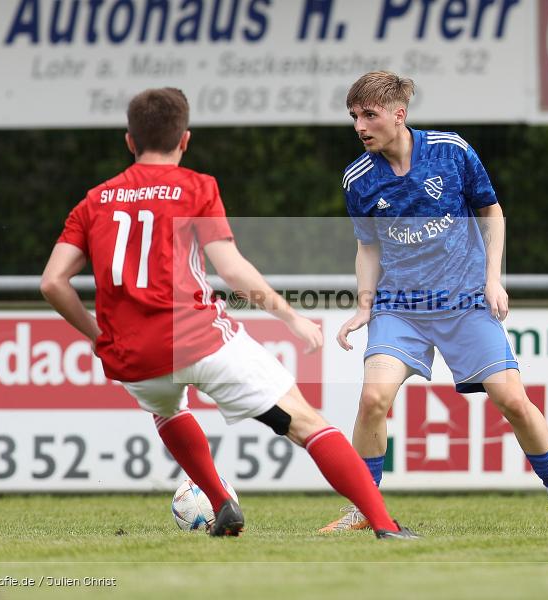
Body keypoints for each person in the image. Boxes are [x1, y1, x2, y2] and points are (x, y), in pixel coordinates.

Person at [40, 87, 416, 539]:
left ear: (129, 141)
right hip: (197, 339)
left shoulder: (94, 201)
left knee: (166, 410)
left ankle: (222, 504)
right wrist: (291, 317)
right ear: (185, 140)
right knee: (305, 421)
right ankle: (384, 525)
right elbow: (232, 271)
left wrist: (98, 335)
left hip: (135, 359)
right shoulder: (195, 187)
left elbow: (53, 282)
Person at [320, 71, 548, 534]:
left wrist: (494, 280)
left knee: (513, 400)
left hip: (464, 300)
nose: (360, 126)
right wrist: (365, 306)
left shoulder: (451, 151)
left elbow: (492, 212)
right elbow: (367, 246)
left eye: (369, 115)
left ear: (398, 114)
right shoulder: (358, 178)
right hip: (400, 308)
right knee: (372, 399)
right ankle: (365, 509)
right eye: (354, 117)